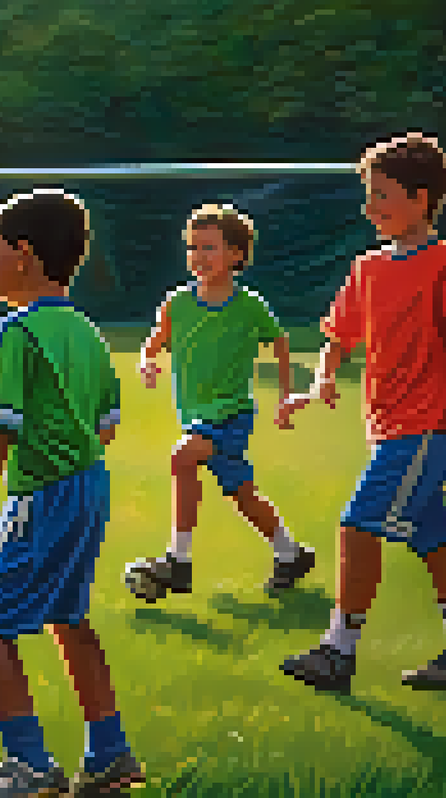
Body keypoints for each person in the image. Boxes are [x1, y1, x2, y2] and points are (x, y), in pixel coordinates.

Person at [0, 188, 143, 796]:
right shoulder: (87, 331)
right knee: (68, 616)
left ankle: (30, 763)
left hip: (44, 494)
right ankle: (109, 754)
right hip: (90, 488)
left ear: (24, 255)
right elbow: (107, 424)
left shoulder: (18, 333)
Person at [277, 131, 446, 693]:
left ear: (421, 199)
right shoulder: (368, 269)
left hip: (427, 426)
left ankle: (338, 650)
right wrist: (323, 375)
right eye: (368, 195)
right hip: (386, 426)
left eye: (383, 196)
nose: (370, 208)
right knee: (433, 538)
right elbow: (339, 335)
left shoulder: (444, 265)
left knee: (358, 525)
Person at [127, 204, 314, 601]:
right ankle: (290, 553)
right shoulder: (177, 303)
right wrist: (147, 363)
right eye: (193, 248)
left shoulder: (250, 306)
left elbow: (280, 343)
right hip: (196, 416)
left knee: (183, 457)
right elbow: (154, 342)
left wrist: (285, 397)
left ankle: (179, 561)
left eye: (209, 248)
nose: (198, 256)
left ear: (236, 255)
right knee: (243, 494)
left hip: (231, 415)